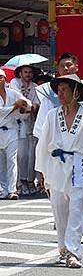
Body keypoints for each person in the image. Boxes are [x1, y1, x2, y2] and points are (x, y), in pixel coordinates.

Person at [35, 74, 83, 269]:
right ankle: (62, 249)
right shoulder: (52, 115)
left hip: (78, 166)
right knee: (59, 210)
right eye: (58, 90)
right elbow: (43, 144)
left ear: (76, 92)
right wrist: (41, 170)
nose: (60, 94)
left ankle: (73, 252)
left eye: (64, 90)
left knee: (76, 210)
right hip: (56, 165)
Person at [9, 64, 40, 195]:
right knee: (20, 155)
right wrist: (28, 105)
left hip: (31, 123)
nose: (28, 74)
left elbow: (36, 105)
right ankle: (20, 182)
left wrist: (28, 106)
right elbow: (18, 101)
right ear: (20, 73)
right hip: (17, 123)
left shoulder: (35, 87)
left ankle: (30, 180)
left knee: (31, 154)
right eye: (25, 72)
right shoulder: (14, 83)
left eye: (30, 72)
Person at [0, 69, 31, 199]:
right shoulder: (13, 101)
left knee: (12, 160)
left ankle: (12, 189)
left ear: (5, 79)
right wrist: (14, 107)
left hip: (11, 129)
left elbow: (26, 103)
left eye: (1, 77)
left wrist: (23, 106)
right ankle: (4, 189)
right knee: (1, 162)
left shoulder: (13, 93)